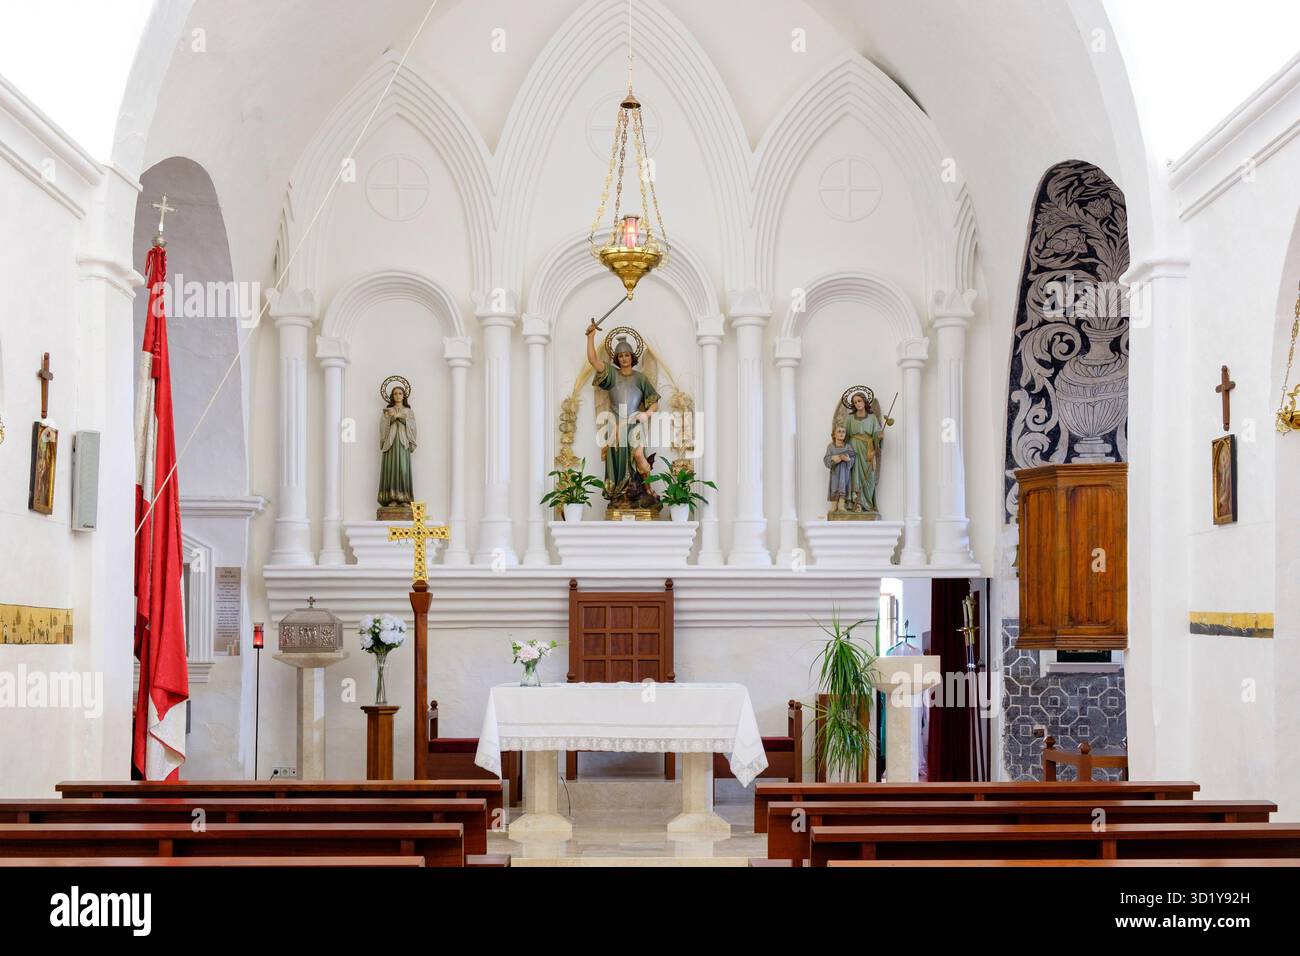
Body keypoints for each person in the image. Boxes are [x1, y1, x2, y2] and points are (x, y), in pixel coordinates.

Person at [586, 321, 659, 501]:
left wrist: (647, 413)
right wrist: (590, 337)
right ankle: (621, 496)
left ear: (632, 357)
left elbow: (654, 402)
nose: (624, 359)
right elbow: (593, 360)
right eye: (620, 356)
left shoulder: (641, 378)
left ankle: (648, 489)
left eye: (627, 355)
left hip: (634, 420)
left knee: (638, 454)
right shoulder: (611, 374)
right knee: (618, 461)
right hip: (616, 422)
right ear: (616, 358)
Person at [378, 384, 417, 513]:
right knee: (391, 468)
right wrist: (389, 418)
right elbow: (383, 427)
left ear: (404, 396)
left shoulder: (408, 411)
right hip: (391, 443)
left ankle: (404, 498)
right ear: (392, 396)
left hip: (402, 443)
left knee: (403, 469)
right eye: (395, 393)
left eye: (400, 393)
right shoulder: (387, 411)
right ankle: (392, 498)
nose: (397, 396)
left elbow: (412, 427)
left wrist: (400, 418)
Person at [823, 424, 856, 513]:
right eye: (839, 431)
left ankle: (841, 505)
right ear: (834, 434)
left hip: (844, 472)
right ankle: (834, 506)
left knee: (843, 486)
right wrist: (833, 458)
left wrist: (848, 459)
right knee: (834, 487)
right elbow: (826, 459)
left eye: (843, 432)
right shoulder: (831, 447)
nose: (841, 434)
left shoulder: (848, 447)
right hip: (835, 472)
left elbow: (853, 458)